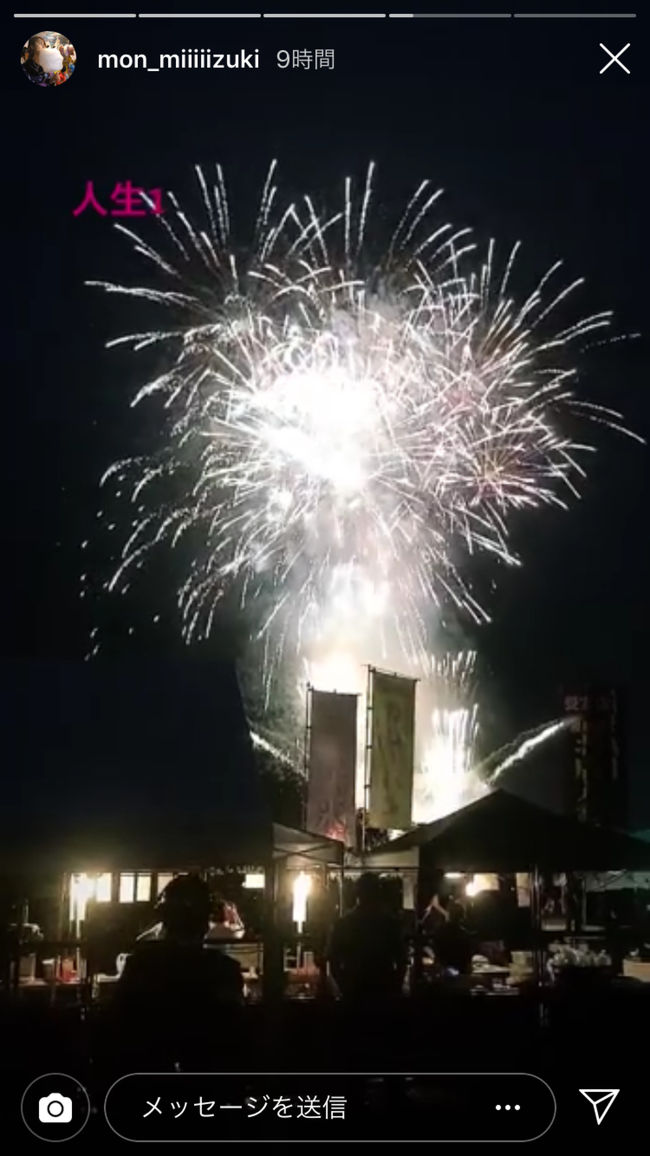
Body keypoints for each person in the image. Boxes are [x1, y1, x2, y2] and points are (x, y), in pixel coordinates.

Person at [113, 874, 243, 1064]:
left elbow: (119, 1030)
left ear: (165, 920)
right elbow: (234, 1041)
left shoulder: (141, 965)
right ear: (205, 923)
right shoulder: (224, 970)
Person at [327, 873, 408, 1003]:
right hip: (382, 989)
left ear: (357, 893)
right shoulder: (390, 924)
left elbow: (333, 961)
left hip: (355, 989)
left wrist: (345, 987)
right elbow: (402, 960)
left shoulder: (343, 924)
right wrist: (394, 986)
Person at [431, 898, 474, 975]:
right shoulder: (464, 934)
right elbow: (468, 959)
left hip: (443, 971)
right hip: (461, 972)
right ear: (462, 917)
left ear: (449, 915)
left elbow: (436, 951)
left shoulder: (440, 931)